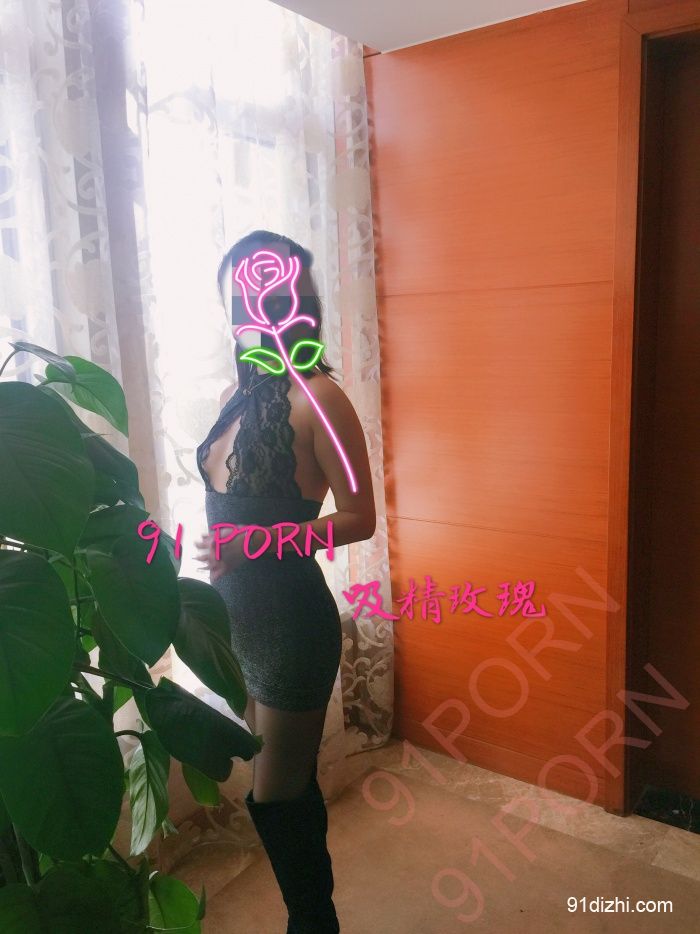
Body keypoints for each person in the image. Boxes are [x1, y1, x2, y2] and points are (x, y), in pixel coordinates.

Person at [194, 229, 376, 933]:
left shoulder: (321, 397)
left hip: (292, 625)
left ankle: (311, 921)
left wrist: (259, 540)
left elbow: (359, 517)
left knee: (272, 795)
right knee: (288, 783)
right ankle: (315, 916)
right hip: (233, 620)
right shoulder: (233, 395)